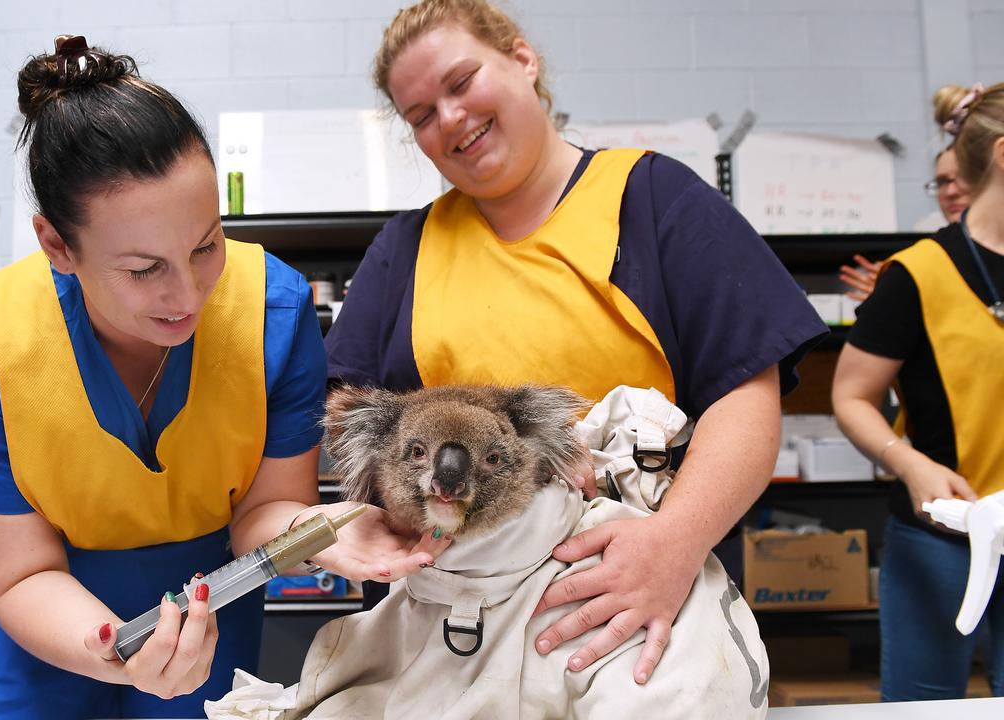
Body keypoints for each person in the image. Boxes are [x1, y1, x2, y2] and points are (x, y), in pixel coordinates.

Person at [0, 36, 444, 719]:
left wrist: (320, 530)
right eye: (144, 269)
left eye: (207, 246)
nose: (189, 293)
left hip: (207, 599)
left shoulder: (274, 312)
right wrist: (116, 649)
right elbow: (23, 572)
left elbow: (264, 516)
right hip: (34, 619)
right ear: (57, 245)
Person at [326, 0, 826, 686]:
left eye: (461, 82)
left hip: (639, 572)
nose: (448, 119)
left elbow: (746, 398)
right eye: (418, 115)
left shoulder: (652, 198)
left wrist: (673, 544)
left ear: (523, 60)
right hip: (461, 604)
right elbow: (357, 430)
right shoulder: (403, 251)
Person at [832, 82, 1004, 701]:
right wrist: (909, 464)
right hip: (941, 537)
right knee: (925, 705)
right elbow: (851, 395)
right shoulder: (916, 273)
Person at [839, 147, 971, 300]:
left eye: (964, 178)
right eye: (942, 182)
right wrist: (894, 292)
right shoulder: (926, 237)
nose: (950, 192)